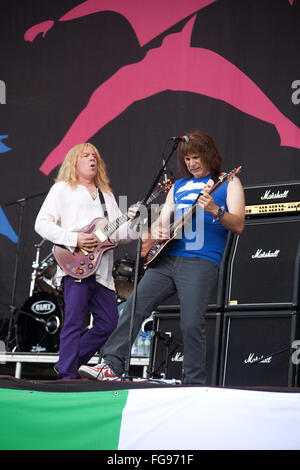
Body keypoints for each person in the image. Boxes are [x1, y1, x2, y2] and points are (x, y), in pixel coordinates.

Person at [79, 130, 245, 384]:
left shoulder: (228, 181)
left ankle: (193, 384)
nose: (192, 163)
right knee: (133, 308)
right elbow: (160, 223)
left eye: (197, 157)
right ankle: (111, 364)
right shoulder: (178, 186)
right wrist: (156, 228)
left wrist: (216, 210)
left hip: (200, 261)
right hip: (166, 260)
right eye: (188, 159)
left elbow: (239, 224)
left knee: (191, 324)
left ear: (209, 155)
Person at [35, 142, 138, 379]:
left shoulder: (107, 195)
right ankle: (67, 378)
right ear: (74, 161)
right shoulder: (62, 189)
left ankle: (67, 363)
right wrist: (74, 238)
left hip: (101, 270)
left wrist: (136, 221)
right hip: (74, 265)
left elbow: (118, 236)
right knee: (75, 321)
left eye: (95, 156)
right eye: (85, 155)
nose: (92, 159)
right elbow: (41, 223)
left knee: (110, 323)